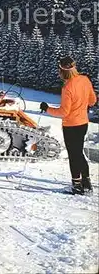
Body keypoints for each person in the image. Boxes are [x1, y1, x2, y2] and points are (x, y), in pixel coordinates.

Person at [40, 56, 97, 195]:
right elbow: (93, 101)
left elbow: (64, 112)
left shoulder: (68, 87)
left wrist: (47, 109)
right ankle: (86, 182)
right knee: (79, 152)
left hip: (71, 125)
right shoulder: (85, 80)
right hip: (83, 123)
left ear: (62, 71)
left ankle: (77, 185)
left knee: (74, 155)